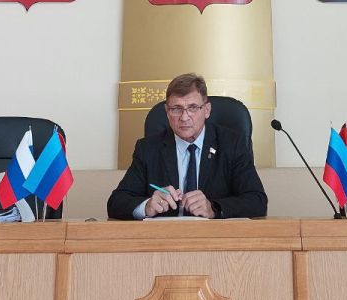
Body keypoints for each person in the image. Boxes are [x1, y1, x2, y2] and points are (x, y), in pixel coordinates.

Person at [107, 73, 268, 220]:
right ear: (167, 112)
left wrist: (213, 208)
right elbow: (116, 202)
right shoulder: (148, 149)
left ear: (207, 110)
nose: (184, 117)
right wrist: (147, 206)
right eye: (176, 109)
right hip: (165, 238)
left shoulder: (232, 144)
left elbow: (257, 201)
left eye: (192, 108)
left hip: (218, 237)